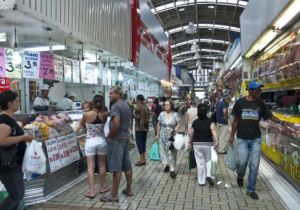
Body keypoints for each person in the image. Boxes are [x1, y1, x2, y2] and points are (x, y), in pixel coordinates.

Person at [229, 81, 293, 200]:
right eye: (257, 90)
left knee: (254, 164)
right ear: (250, 91)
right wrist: (232, 136)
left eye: (260, 90)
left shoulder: (261, 104)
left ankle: (250, 189)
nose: (259, 92)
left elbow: (270, 116)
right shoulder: (240, 103)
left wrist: (282, 122)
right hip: (242, 138)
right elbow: (236, 120)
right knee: (242, 162)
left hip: (255, 139)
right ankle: (240, 175)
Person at [0, 90, 35, 210]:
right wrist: (24, 137)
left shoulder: (9, 118)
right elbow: (3, 141)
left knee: (16, 195)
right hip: (8, 163)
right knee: (17, 195)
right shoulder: (4, 119)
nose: (19, 104)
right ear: (9, 104)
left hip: (15, 162)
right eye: (17, 101)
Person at [101, 86, 133, 202]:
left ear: (118, 94)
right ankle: (129, 189)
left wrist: (110, 135)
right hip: (125, 137)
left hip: (116, 139)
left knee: (116, 168)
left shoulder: (115, 106)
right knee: (127, 165)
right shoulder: (125, 105)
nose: (109, 95)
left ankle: (114, 195)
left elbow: (116, 124)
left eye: (111, 93)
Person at [80, 94, 109, 199]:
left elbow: (82, 125)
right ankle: (102, 188)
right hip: (101, 140)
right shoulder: (105, 114)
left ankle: (91, 192)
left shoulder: (86, 114)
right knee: (102, 165)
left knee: (90, 167)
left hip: (90, 142)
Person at [189, 104, 219, 186]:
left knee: (200, 162)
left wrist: (190, 143)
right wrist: (217, 140)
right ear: (206, 112)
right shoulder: (211, 121)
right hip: (208, 143)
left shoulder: (195, 122)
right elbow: (213, 130)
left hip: (197, 144)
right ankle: (208, 175)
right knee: (209, 160)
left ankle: (201, 182)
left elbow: (191, 134)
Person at [155, 99, 180, 179]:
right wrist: (157, 135)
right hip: (163, 134)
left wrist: (176, 128)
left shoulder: (175, 114)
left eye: (168, 105)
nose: (166, 106)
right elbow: (159, 124)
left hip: (172, 135)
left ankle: (172, 169)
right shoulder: (162, 114)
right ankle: (166, 164)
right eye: (165, 105)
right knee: (164, 150)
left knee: (171, 150)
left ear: (171, 105)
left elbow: (178, 124)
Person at [134, 94, 150, 166]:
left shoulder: (138, 106)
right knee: (143, 142)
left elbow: (136, 116)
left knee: (139, 142)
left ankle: (142, 160)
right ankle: (143, 158)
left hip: (139, 127)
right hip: (145, 127)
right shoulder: (146, 107)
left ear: (138, 99)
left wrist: (134, 114)